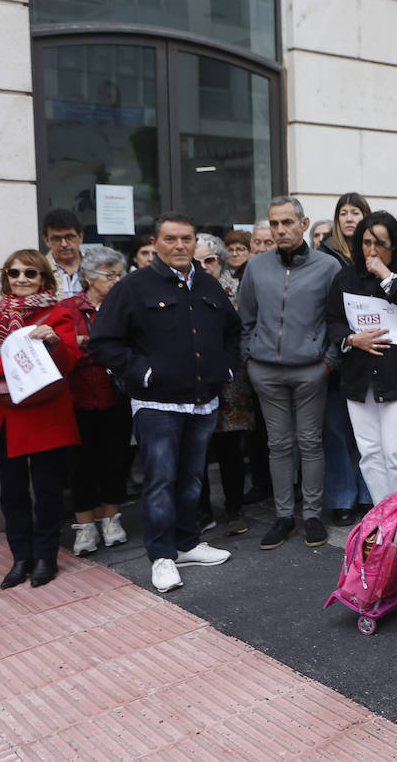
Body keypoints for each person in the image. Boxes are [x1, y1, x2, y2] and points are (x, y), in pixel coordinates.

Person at [89, 213, 238, 594]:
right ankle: (161, 556)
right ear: (156, 242)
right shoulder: (134, 287)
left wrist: (226, 370)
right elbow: (103, 343)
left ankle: (187, 543)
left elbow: (233, 332)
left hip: (203, 403)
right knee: (160, 482)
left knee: (192, 479)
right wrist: (142, 373)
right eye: (170, 238)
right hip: (158, 406)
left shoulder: (208, 284)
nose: (179, 246)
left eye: (186, 238)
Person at [0, 250, 79, 589]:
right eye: (14, 273)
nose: (22, 279)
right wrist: (20, 366)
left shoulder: (59, 315)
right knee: (12, 492)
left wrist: (53, 343)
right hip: (1, 417)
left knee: (47, 490)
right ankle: (21, 557)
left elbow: (68, 364)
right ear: (7, 279)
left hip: (46, 414)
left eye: (30, 272)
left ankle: (46, 556)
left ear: (43, 277)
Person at [238, 197, 342, 549]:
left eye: (286, 222)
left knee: (311, 443)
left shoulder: (328, 267)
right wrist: (249, 360)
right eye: (274, 223)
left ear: (303, 222)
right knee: (278, 444)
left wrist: (327, 362)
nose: (280, 230)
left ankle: (311, 515)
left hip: (311, 370)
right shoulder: (256, 267)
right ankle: (284, 516)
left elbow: (336, 320)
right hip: (265, 371)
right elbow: (246, 319)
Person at [325, 211, 397, 503]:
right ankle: (384, 519)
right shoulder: (346, 276)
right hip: (358, 378)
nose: (372, 250)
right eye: (366, 242)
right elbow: (332, 319)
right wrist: (350, 338)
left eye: (380, 243)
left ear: (393, 244)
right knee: (369, 453)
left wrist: (387, 276)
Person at [59, 247, 131, 557]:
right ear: (89, 277)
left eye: (119, 273)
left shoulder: (125, 307)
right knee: (81, 465)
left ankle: (110, 520)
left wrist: (87, 345)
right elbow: (63, 348)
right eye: (110, 274)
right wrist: (97, 347)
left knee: (115, 459)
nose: (117, 279)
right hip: (77, 399)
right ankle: (85, 526)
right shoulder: (69, 308)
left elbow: (133, 346)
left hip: (116, 396)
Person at [316, 193, 375, 526]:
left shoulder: (382, 251)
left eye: (357, 212)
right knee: (336, 430)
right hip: (337, 355)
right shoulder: (325, 257)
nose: (350, 218)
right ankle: (341, 499)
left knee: (369, 434)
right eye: (344, 213)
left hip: (373, 357)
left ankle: (370, 495)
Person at [193, 233, 253, 535]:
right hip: (196, 381)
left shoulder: (238, 288)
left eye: (210, 260)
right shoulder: (187, 290)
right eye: (198, 261)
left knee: (231, 450)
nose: (204, 267)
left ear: (221, 261)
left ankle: (235, 508)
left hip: (231, 381)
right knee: (197, 449)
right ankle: (203, 510)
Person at [42, 209, 85, 299]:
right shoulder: (38, 271)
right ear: (46, 241)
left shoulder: (96, 268)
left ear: (80, 237)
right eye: (57, 239)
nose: (64, 244)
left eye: (69, 237)